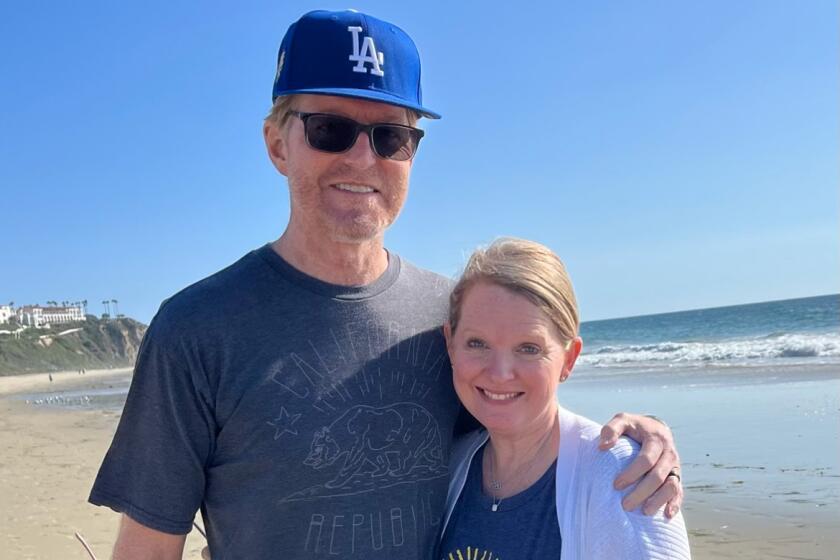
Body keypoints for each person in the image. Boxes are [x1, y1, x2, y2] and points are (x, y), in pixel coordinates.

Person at [89, 9, 683, 560]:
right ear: (277, 144)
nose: (362, 159)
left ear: (412, 154)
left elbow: (518, 416)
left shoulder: (447, 319)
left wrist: (630, 443)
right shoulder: (196, 327)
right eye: (329, 129)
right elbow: (148, 546)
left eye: (390, 137)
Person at [439, 238, 690, 559]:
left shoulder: (624, 478)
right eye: (477, 343)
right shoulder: (452, 464)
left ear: (569, 359)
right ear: (450, 343)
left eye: (528, 348)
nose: (500, 373)